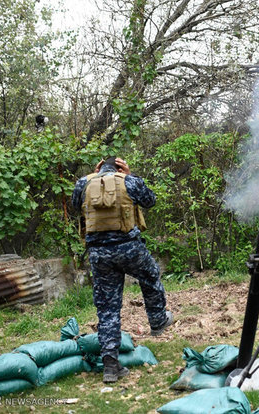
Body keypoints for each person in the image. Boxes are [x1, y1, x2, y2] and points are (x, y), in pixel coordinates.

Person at [72, 156, 173, 383]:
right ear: (119, 167)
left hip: (99, 254)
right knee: (150, 276)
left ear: (98, 168)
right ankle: (157, 321)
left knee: (108, 307)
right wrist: (130, 175)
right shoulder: (128, 180)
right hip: (129, 248)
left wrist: (93, 176)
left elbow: (74, 206)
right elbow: (150, 200)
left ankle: (110, 364)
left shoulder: (83, 183)